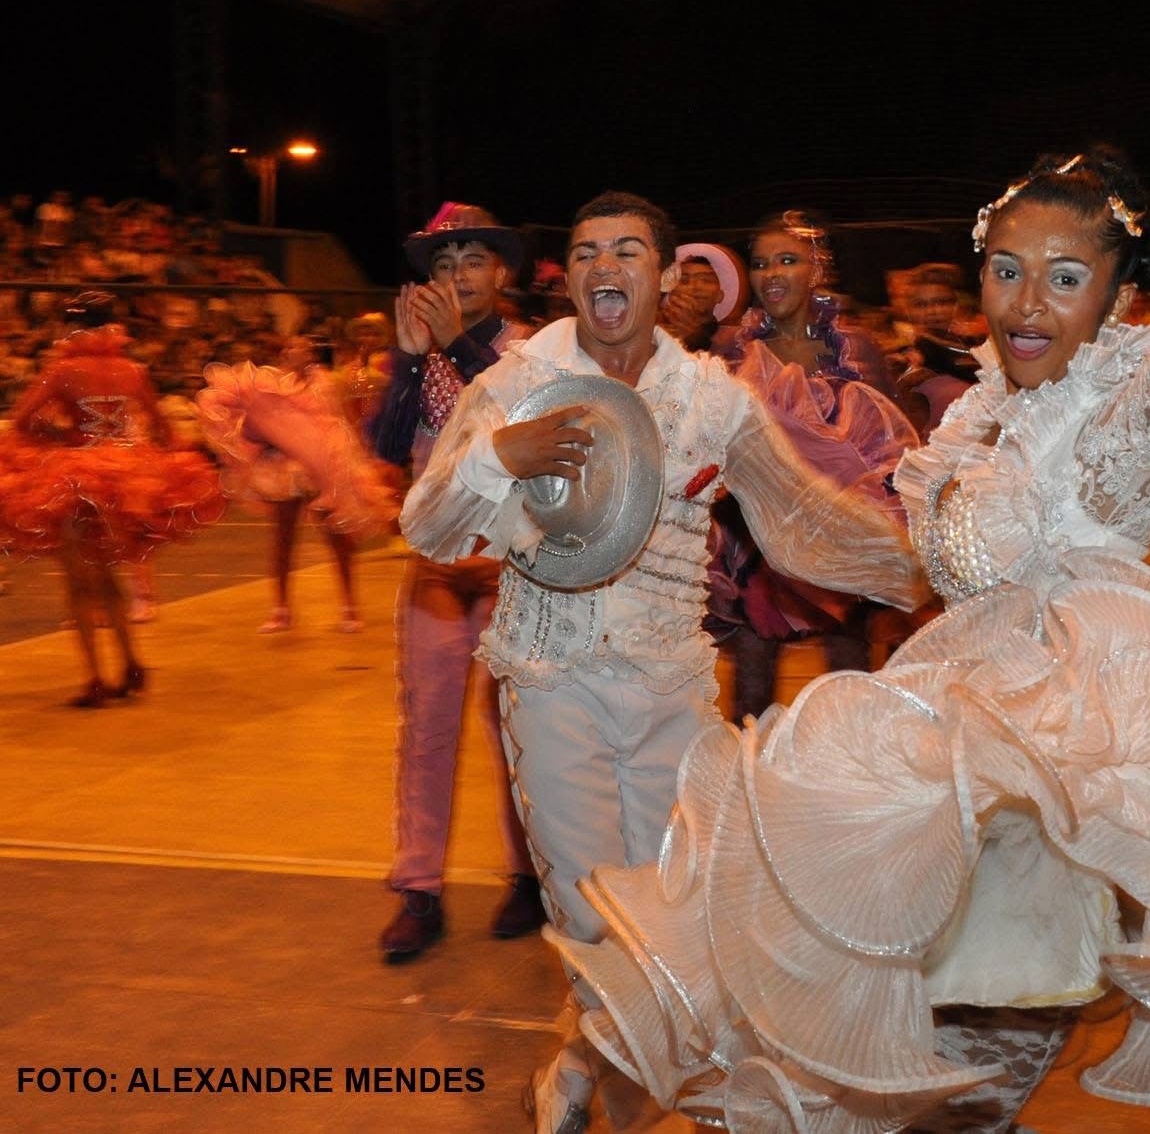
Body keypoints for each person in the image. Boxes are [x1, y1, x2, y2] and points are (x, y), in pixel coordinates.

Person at [549, 152, 1150, 1132]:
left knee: (932, 1051)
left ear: (1117, 295)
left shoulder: (1124, 397)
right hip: (966, 752)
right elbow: (899, 556)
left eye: (1065, 277)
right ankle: (608, 1058)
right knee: (875, 1018)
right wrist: (755, 472)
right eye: (1006, 269)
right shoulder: (985, 406)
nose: (1026, 302)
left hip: (1057, 783)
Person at [397, 190, 928, 1131]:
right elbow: (430, 526)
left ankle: (580, 1064)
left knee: (675, 921)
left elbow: (803, 518)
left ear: (666, 272)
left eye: (627, 250)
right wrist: (499, 456)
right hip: (551, 683)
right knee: (591, 910)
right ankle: (587, 1075)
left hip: (673, 694)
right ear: (570, 277)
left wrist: (928, 571)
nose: (605, 266)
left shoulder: (712, 399)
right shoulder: (519, 382)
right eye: (586, 251)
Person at [367, 204, 545, 959]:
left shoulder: (530, 349)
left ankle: (529, 873)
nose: (457, 276)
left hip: (513, 566)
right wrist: (410, 362)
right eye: (442, 265)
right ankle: (419, 887)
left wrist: (456, 345)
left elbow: (522, 412)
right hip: (438, 566)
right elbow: (384, 445)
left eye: (473, 261)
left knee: (518, 728)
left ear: (501, 272)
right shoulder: (418, 350)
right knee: (427, 727)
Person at [709, 211, 919, 722]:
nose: (772, 274)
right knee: (751, 699)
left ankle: (849, 773)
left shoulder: (855, 348)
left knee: (849, 692)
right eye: (761, 263)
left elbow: (891, 446)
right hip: (758, 542)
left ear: (816, 269)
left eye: (788, 260)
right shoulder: (733, 350)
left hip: (843, 539)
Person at [0, 292, 223, 704]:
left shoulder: (63, 370)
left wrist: (60, 434)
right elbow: (161, 428)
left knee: (79, 583)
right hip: (125, 480)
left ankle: (95, 679)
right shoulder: (133, 370)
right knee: (106, 577)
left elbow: (22, 419)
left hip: (77, 481)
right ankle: (131, 662)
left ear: (73, 326)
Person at [196, 334, 397, 632]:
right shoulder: (268, 385)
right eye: (291, 347)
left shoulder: (324, 382)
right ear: (283, 354)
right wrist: (266, 439)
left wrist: (354, 457)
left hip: (322, 467)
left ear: (311, 353)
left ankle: (349, 607)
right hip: (284, 468)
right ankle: (281, 609)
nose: (297, 351)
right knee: (283, 538)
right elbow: (250, 423)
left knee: (336, 536)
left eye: (303, 347)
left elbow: (340, 421)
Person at [894, 263, 987, 437]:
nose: (933, 311)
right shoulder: (908, 357)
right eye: (921, 305)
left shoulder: (972, 344)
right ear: (908, 311)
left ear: (955, 305)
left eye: (941, 302)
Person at [662, 242, 744, 352]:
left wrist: (693, 337)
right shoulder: (654, 330)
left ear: (720, 295)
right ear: (672, 291)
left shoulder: (737, 339)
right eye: (684, 280)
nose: (695, 287)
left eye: (706, 280)